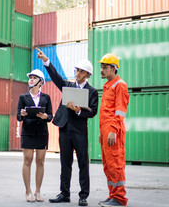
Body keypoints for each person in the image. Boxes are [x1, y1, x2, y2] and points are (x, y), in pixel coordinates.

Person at [36, 48, 98, 206]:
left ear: (88, 75)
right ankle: (64, 193)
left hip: (80, 132)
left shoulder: (92, 92)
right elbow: (56, 78)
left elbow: (93, 112)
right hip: (65, 129)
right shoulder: (68, 85)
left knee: (83, 163)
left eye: (81, 71)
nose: (77, 73)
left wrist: (78, 111)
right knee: (65, 163)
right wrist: (46, 61)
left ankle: (83, 195)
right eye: (76, 70)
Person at [98, 53, 129, 207]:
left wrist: (112, 130)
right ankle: (112, 195)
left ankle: (120, 198)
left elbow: (120, 111)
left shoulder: (120, 85)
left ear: (114, 68)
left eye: (104, 67)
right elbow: (106, 112)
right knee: (108, 165)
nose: (101, 70)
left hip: (113, 132)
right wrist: (102, 133)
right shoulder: (108, 85)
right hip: (106, 132)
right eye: (101, 67)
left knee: (115, 164)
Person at [17, 69, 53, 202]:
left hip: (42, 133)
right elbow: (18, 116)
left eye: (34, 78)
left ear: (40, 82)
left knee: (40, 161)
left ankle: (38, 191)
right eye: (30, 77)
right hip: (28, 132)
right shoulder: (23, 97)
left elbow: (50, 116)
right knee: (27, 160)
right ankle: (28, 191)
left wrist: (45, 116)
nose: (31, 80)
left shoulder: (46, 98)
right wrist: (22, 114)